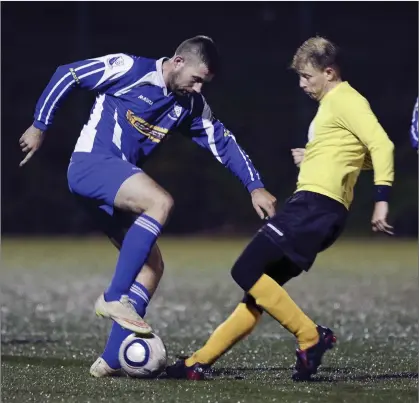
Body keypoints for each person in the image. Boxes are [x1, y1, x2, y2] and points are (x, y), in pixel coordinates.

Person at [18, 35, 277, 377]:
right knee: (160, 201)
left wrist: (255, 186)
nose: (199, 89)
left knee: (152, 267)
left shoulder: (189, 106)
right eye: (196, 79)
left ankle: (110, 361)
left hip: (118, 184)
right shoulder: (129, 68)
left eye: (205, 83)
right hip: (92, 164)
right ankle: (113, 298)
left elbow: (223, 143)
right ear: (178, 61)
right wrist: (40, 124)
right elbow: (68, 74)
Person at [166, 36, 395, 382]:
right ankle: (196, 363)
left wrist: (382, 199)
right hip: (320, 211)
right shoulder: (333, 107)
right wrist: (315, 154)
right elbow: (357, 155)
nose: (302, 84)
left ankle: (310, 336)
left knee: (245, 269)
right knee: (259, 291)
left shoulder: (347, 100)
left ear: (329, 72)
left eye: (307, 76)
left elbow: (382, 144)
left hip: (315, 207)